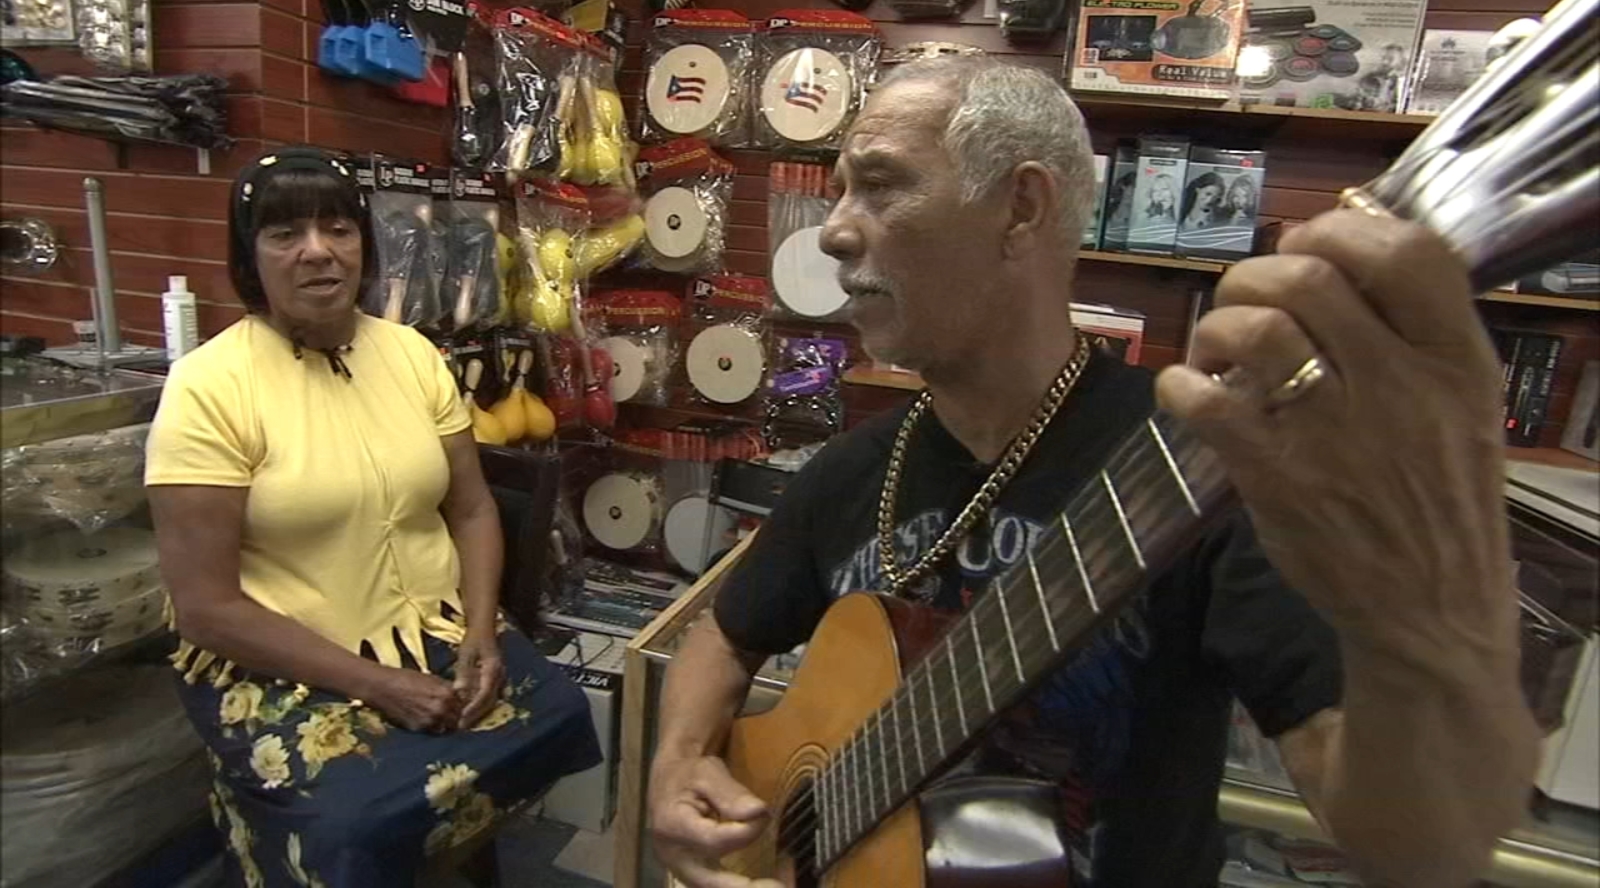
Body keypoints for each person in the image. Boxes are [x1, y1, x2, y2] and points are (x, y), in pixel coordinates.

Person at [647, 58, 1539, 887]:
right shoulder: (853, 467)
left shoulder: (1205, 459)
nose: (834, 232)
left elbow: (1425, 844)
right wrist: (679, 762)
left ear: (1022, 209)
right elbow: (724, 636)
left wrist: (1434, 617)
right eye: (839, 191)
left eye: (878, 184)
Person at [145, 147, 600, 888]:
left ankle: (443, 852)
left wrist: (482, 629)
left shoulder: (414, 354)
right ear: (248, 256)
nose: (318, 251)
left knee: (557, 710)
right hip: (282, 649)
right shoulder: (208, 388)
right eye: (285, 233)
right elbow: (204, 609)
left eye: (338, 228)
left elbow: (473, 506)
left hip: (430, 624)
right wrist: (377, 685)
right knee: (349, 823)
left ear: (365, 242)